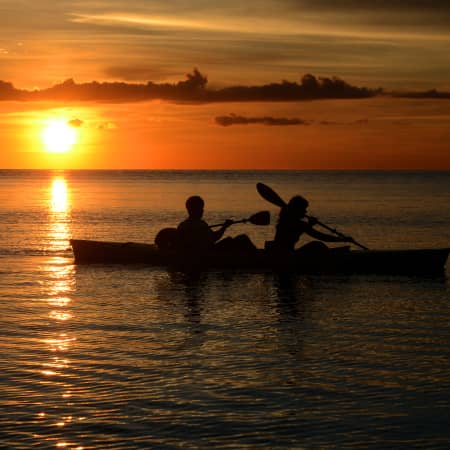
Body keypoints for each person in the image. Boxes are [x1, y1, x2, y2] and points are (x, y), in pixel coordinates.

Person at [269, 195, 354, 255]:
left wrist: (309, 225)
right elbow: (322, 237)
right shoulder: (296, 224)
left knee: (317, 245)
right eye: (304, 209)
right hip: (285, 255)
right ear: (298, 209)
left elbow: (298, 232)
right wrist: (343, 239)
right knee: (317, 245)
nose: (306, 212)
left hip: (286, 253)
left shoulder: (285, 220)